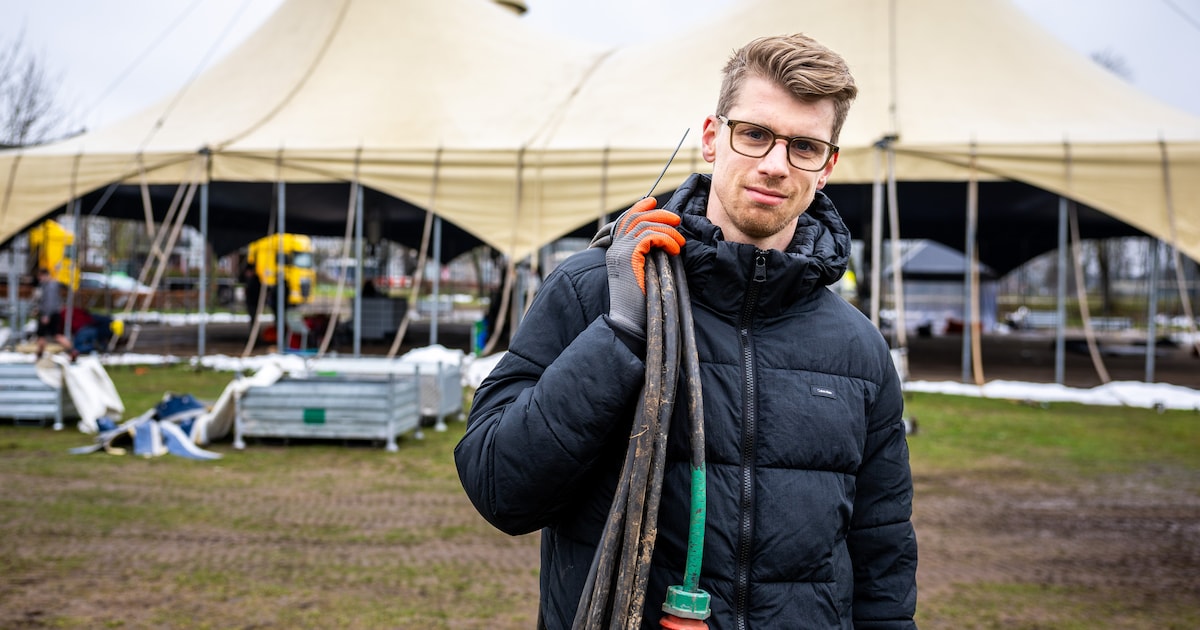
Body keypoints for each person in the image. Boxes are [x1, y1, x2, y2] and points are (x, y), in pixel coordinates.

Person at [455, 33, 917, 629]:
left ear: (826, 166)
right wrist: (620, 333)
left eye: (803, 146)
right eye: (754, 134)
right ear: (710, 138)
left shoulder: (857, 348)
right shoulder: (593, 289)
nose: (775, 164)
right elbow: (500, 489)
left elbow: (883, 556)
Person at [34, 268, 76, 360]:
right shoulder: (50, 285)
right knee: (51, 336)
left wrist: (46, 315)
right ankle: (72, 351)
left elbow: (50, 302)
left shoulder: (50, 286)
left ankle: (39, 357)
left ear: (45, 275)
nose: (39, 279)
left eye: (40, 277)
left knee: (45, 336)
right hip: (52, 313)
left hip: (48, 315)